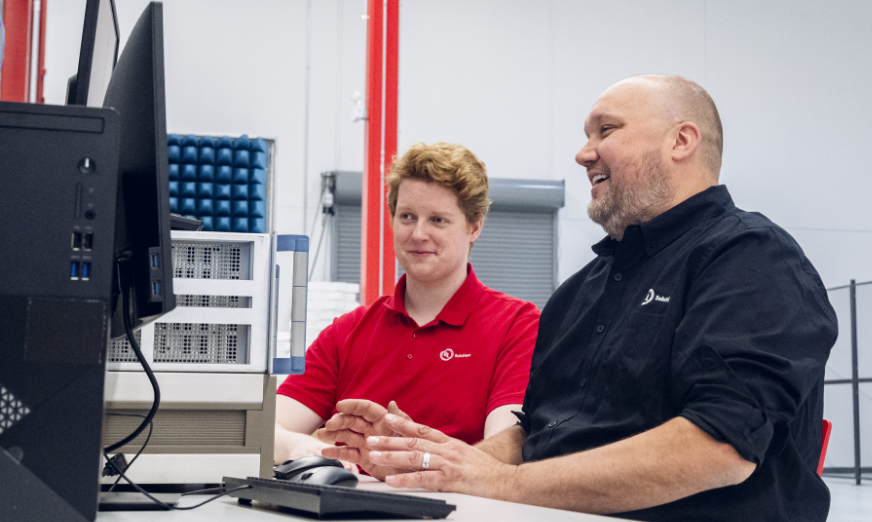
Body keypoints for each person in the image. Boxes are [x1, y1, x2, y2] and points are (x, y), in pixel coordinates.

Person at [319, 75, 837, 522]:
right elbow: (537, 432)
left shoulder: (749, 258)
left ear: (681, 141)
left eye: (605, 130)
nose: (583, 153)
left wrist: (501, 484)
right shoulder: (579, 292)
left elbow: (720, 446)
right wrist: (434, 460)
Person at [274, 142, 540, 473]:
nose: (418, 234)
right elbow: (266, 430)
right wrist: (308, 449)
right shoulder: (345, 333)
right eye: (407, 217)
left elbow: (505, 450)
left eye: (438, 220)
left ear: (474, 227)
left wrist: (408, 460)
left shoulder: (517, 325)